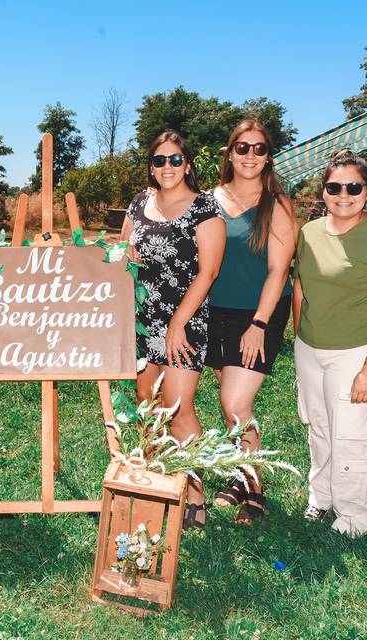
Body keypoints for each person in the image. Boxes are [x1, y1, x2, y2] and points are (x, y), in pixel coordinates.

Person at [293, 149, 367, 537]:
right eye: (334, 187)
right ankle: (321, 500)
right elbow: (301, 286)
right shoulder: (308, 233)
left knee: (351, 435)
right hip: (309, 348)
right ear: (323, 192)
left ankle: (354, 517)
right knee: (319, 427)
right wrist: (298, 338)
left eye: (353, 187)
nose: (343, 194)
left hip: (355, 353)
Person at [121, 130, 226, 530]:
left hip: (185, 319)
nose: (168, 167)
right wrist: (124, 253)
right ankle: (158, 485)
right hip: (142, 318)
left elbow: (209, 271)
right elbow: (122, 253)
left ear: (188, 164)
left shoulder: (204, 208)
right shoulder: (138, 203)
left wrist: (177, 323)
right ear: (152, 166)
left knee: (178, 409)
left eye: (175, 159)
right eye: (160, 160)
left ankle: (196, 497)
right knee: (147, 405)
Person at [205, 119, 296, 524]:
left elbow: (278, 271)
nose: (250, 156)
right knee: (230, 404)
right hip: (215, 313)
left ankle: (254, 488)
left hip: (259, 314)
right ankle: (239, 476)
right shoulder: (209, 199)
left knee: (235, 402)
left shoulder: (276, 204)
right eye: (242, 148)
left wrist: (259, 324)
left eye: (259, 149)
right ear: (230, 153)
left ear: (268, 156)